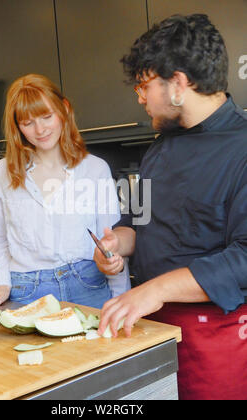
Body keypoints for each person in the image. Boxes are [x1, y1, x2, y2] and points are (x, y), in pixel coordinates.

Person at [94, 14, 247, 400]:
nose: (140, 97)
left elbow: (244, 258)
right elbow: (137, 223)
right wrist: (115, 245)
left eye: (145, 85)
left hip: (215, 339)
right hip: (149, 326)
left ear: (178, 84)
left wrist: (153, 291)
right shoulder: (160, 146)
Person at [0, 74, 130, 310]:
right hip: (27, 289)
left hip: (88, 283)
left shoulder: (95, 169)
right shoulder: (3, 172)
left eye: (47, 117)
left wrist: (122, 300)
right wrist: (2, 284)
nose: (40, 130)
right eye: (28, 123)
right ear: (17, 126)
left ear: (64, 109)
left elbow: (108, 243)